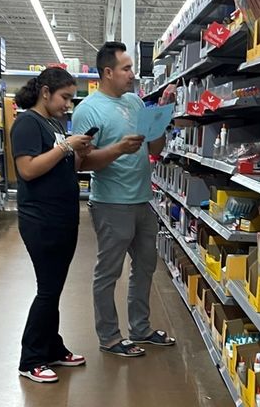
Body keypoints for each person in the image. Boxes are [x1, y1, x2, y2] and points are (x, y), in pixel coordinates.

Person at [73, 42, 175, 357]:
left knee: (145, 266)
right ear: (107, 72)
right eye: (126, 68)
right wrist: (118, 149)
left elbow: (155, 148)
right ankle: (109, 337)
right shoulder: (87, 110)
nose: (132, 74)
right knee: (109, 272)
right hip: (110, 203)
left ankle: (141, 329)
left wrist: (161, 117)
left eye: (131, 67)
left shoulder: (134, 102)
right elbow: (80, 164)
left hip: (142, 200)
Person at [10, 67, 94, 383]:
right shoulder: (26, 123)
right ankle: (30, 357)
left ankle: (53, 348)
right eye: (65, 97)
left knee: (54, 289)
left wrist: (77, 151)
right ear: (45, 92)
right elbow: (28, 169)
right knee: (47, 290)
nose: (67, 105)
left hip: (62, 217)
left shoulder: (53, 123)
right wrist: (65, 146)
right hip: (40, 220)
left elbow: (62, 166)